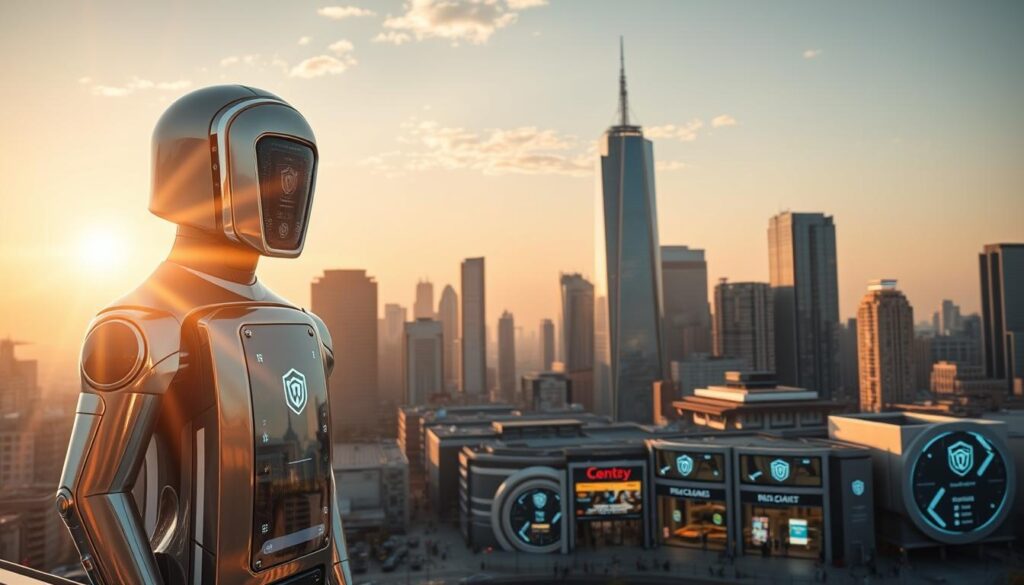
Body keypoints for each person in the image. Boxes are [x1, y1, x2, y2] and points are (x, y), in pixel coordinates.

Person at [55, 86, 349, 585]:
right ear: (203, 173)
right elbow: (90, 495)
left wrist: (338, 573)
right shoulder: (141, 328)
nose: (285, 191)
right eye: (274, 172)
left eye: (294, 177)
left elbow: (319, 481)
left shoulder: (308, 329)